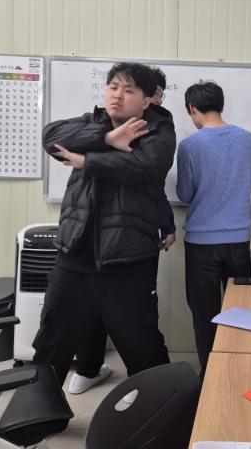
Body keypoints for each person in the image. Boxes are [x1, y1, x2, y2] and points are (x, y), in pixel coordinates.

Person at [33, 62, 174, 388]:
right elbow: (51, 136)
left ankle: (161, 410)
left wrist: (86, 159)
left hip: (127, 260)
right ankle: (40, 412)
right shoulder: (93, 122)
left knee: (143, 348)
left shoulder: (159, 132)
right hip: (74, 255)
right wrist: (107, 138)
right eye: (113, 87)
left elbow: (143, 167)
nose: (117, 96)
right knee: (51, 344)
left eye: (128, 90)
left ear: (147, 100)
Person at [176, 81, 251, 376]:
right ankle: (241, 369)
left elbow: (185, 194)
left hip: (201, 243)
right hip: (239, 241)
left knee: (205, 313)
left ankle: (211, 374)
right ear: (220, 104)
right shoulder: (248, 139)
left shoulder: (189, 146)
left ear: (192, 109)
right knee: (242, 311)